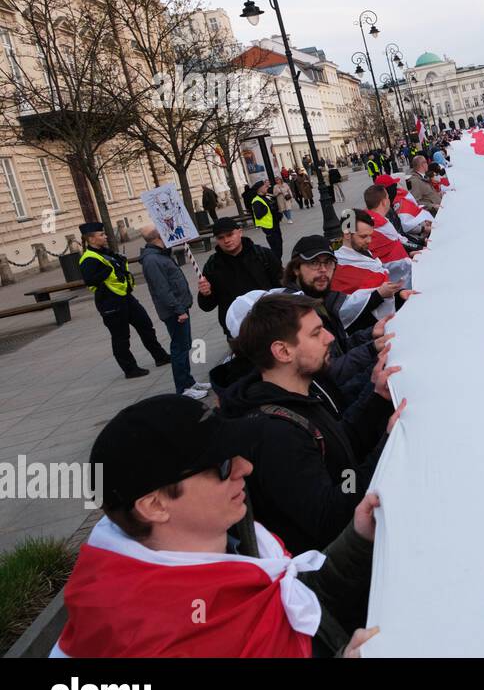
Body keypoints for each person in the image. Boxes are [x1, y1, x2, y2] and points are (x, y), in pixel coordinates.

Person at [54, 395, 379, 657]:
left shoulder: (240, 541)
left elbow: (295, 598)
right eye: (222, 465)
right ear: (154, 506)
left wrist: (358, 538)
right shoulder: (155, 641)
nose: (246, 467)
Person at [221, 293, 399, 555]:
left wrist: (378, 398)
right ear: (283, 351)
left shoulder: (299, 394)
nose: (329, 338)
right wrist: (388, 446)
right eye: (316, 333)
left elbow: (341, 446)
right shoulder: (274, 433)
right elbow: (331, 517)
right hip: (330, 573)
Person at [78, 222, 169, 379]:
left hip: (125, 297)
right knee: (121, 337)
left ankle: (160, 357)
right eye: (101, 235)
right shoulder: (89, 258)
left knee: (145, 325)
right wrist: (106, 272)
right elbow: (90, 281)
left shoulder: (106, 252)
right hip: (109, 302)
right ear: (91, 239)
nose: (105, 236)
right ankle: (130, 369)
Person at [197, 217, 283, 337]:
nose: (226, 240)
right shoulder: (213, 266)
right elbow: (207, 306)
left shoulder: (262, 255)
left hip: (269, 323)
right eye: (221, 238)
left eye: (230, 235)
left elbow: (283, 287)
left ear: (240, 232)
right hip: (237, 332)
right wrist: (205, 294)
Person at [139, 225, 197, 394]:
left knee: (184, 345)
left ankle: (189, 382)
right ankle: (183, 387)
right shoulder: (152, 260)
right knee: (179, 348)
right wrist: (178, 310)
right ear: (158, 237)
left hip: (179, 307)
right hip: (174, 311)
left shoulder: (159, 254)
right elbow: (162, 289)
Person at [246, 178, 282, 262]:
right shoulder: (256, 201)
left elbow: (273, 209)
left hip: (275, 226)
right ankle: (277, 267)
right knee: (276, 250)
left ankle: (278, 265)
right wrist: (266, 209)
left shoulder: (266, 197)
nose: (267, 187)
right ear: (259, 189)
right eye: (264, 186)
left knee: (279, 248)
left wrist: (278, 214)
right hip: (269, 229)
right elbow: (258, 215)